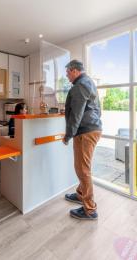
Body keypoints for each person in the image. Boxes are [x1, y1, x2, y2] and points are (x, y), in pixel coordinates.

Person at [62, 59, 102, 220]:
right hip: (90, 129)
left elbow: (76, 114)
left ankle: (90, 210)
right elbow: (97, 109)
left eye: (68, 73)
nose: (67, 76)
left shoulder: (80, 85)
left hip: (85, 132)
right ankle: (80, 194)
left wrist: (68, 135)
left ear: (75, 71)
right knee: (83, 167)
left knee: (82, 169)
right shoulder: (88, 82)